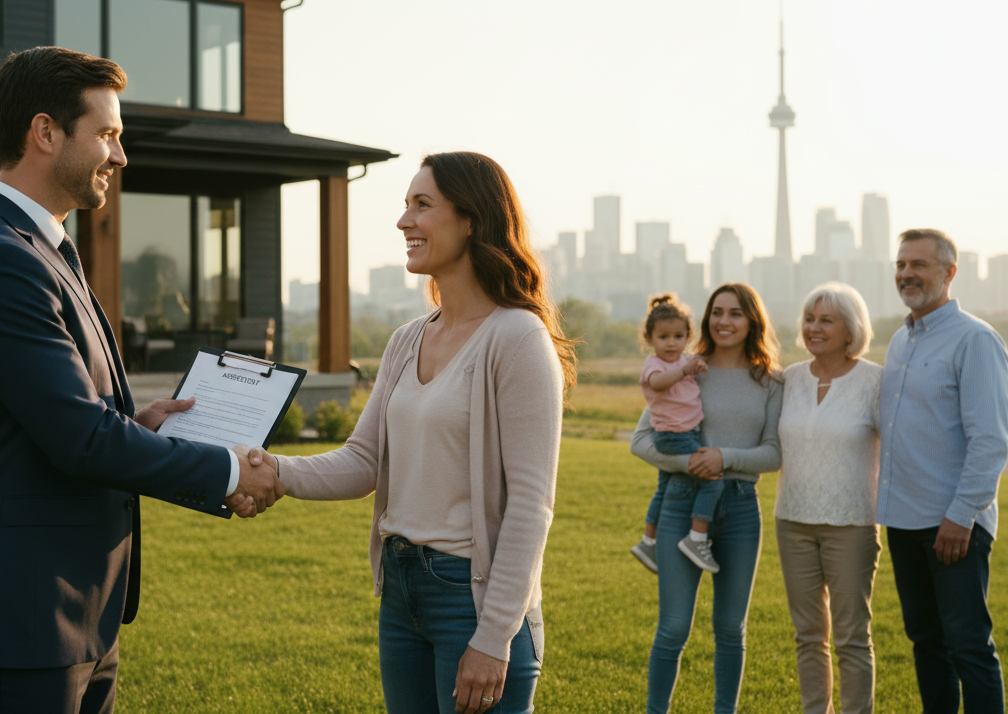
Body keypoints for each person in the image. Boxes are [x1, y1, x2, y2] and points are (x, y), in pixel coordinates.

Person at [0, 47, 282, 713]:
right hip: (20, 621)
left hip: (75, 615)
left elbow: (65, 421)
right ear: (46, 133)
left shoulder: (45, 251)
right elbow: (80, 440)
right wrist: (228, 473)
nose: (120, 156)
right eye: (108, 134)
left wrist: (133, 427)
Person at [248, 152, 574, 714]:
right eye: (405, 205)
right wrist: (274, 470)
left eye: (423, 205)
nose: (404, 221)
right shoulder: (405, 340)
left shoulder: (517, 337)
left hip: (471, 601)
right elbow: (364, 459)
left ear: (472, 219)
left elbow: (530, 504)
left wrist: (494, 638)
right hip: (400, 594)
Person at [630, 282, 783, 714]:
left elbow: (774, 453)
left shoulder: (770, 381)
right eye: (717, 312)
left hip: (739, 509)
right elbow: (642, 441)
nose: (724, 321)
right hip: (683, 501)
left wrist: (724, 457)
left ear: (752, 319)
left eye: (735, 313)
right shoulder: (685, 369)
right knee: (673, 627)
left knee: (731, 629)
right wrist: (693, 464)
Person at [881, 228, 1008, 713]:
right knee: (925, 642)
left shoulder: (975, 340)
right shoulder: (900, 340)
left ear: (949, 273)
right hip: (903, 518)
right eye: (900, 265)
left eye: (919, 265)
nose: (906, 274)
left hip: (954, 524)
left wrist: (960, 516)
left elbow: (991, 440)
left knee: (969, 647)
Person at [775, 282, 883, 714]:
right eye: (809, 319)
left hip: (852, 524)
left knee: (852, 636)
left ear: (851, 328)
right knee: (807, 635)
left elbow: (897, 452)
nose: (814, 328)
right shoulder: (790, 378)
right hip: (792, 521)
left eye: (826, 320)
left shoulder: (875, 380)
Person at [631, 293, 718, 575]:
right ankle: (696, 538)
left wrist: (697, 368)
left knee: (664, 487)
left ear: (687, 337)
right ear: (650, 339)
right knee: (713, 480)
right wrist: (684, 370)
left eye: (678, 336)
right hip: (674, 436)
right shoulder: (655, 365)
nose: (671, 343)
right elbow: (657, 384)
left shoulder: (685, 362)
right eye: (663, 336)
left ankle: (648, 541)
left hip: (686, 432)